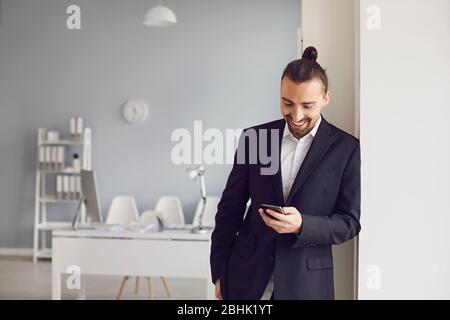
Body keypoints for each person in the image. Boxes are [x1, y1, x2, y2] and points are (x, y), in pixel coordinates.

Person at [210, 46, 361, 300]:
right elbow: (229, 211)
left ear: (326, 98)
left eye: (307, 105)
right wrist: (219, 274)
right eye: (287, 103)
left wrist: (303, 225)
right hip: (244, 278)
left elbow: (349, 222)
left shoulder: (345, 148)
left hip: (307, 285)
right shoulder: (255, 139)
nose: (297, 115)